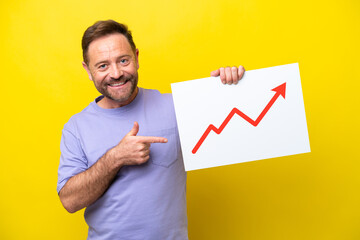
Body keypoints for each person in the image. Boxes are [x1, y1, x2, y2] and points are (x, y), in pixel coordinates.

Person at [57, 19, 245, 240]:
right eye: (103, 66)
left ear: (136, 58)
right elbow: (70, 201)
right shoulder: (76, 127)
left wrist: (231, 88)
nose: (116, 73)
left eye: (123, 60)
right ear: (88, 70)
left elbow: (235, 128)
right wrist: (115, 157)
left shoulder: (176, 107)